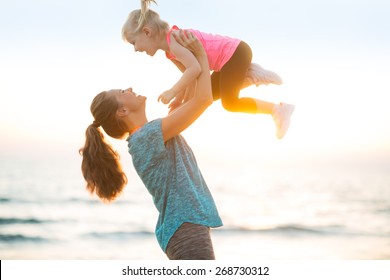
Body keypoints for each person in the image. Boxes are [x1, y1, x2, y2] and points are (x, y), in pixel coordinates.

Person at [80, 31, 222, 260]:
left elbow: (197, 92)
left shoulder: (151, 134)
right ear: (122, 111)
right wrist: (201, 57)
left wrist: (185, 57)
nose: (128, 88)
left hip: (184, 227)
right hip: (185, 227)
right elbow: (203, 99)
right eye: (121, 92)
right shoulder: (147, 137)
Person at [121, 0, 295, 139]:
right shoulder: (169, 51)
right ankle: (250, 74)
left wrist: (173, 91)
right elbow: (190, 77)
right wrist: (181, 101)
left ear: (147, 32)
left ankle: (277, 109)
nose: (135, 49)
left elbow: (195, 69)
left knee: (230, 103)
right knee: (207, 94)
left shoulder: (174, 40)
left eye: (134, 43)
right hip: (231, 59)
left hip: (235, 54)